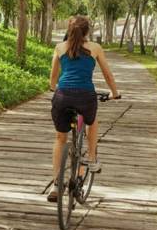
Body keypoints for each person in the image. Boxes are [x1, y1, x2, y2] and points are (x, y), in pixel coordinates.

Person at [47, 15, 120, 202]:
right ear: (87, 31)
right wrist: (114, 93)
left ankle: (56, 185)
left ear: (69, 31)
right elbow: (107, 75)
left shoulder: (60, 48)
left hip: (62, 96)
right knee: (92, 121)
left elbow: (53, 80)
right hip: (85, 97)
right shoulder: (95, 48)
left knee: (60, 137)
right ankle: (92, 158)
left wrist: (56, 90)